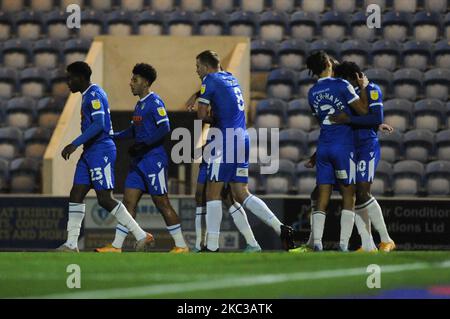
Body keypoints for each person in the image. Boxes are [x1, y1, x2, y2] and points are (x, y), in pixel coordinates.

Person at [195, 50, 295, 252]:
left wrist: (208, 116)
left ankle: (212, 246)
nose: (196, 70)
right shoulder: (231, 78)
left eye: (198, 66)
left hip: (224, 140)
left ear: (206, 67)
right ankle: (280, 227)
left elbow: (201, 117)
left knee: (212, 193)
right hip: (243, 137)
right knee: (241, 192)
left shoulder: (209, 80)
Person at [57, 61, 153, 252]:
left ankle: (141, 235)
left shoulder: (94, 94)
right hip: (90, 151)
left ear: (81, 78)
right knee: (76, 193)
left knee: (104, 198)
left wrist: (74, 143)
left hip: (101, 150)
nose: (68, 82)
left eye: (70, 78)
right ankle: (71, 243)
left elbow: (100, 124)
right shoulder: (86, 95)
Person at [95, 63, 189, 253]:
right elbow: (133, 130)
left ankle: (181, 245)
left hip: (154, 160)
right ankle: (116, 246)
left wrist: (145, 145)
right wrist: (113, 136)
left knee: (162, 202)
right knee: (128, 202)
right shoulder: (139, 105)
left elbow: (165, 128)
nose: (130, 83)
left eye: (134, 80)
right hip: (138, 162)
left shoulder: (155, 102)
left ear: (145, 82)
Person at [305, 51, 369, 252]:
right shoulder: (342, 85)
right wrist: (364, 88)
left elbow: (321, 121)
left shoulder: (312, 92)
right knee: (348, 195)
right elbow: (364, 111)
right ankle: (343, 245)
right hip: (343, 147)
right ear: (327, 63)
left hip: (324, 147)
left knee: (322, 197)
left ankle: (317, 243)